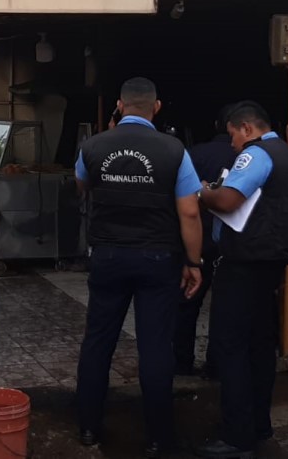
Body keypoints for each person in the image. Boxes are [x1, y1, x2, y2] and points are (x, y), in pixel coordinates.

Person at [74, 78, 204, 459]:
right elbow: (191, 211)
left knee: (98, 341)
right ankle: (160, 437)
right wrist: (193, 262)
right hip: (158, 259)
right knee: (155, 346)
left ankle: (87, 428)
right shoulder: (173, 150)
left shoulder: (94, 145)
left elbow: (82, 185)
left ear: (119, 104)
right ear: (157, 107)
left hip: (108, 256)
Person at [196, 102, 288, 459]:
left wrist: (203, 191)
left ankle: (236, 436)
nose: (231, 145)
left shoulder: (256, 155)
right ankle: (258, 424)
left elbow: (228, 201)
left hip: (244, 263)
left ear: (246, 128)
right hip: (271, 263)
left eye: (232, 135)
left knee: (231, 347)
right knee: (260, 347)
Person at [174, 109, 236, 377]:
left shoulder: (194, 153)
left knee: (187, 303)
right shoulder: (251, 158)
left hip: (196, 238)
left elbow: (182, 200)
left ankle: (181, 363)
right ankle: (217, 365)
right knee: (225, 307)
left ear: (216, 124)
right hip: (232, 241)